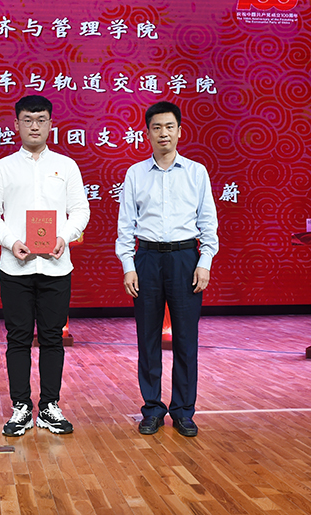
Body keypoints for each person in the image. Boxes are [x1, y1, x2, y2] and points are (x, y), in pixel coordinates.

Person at [0, 95, 90, 436]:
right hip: (16, 267)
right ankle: (21, 407)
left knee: (53, 338)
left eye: (41, 120)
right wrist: (11, 241)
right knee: (18, 338)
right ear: (16, 125)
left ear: (51, 124)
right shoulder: (3, 167)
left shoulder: (66, 166)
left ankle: (50, 406)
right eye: (27, 120)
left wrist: (64, 236)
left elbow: (81, 210)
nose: (34, 126)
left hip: (56, 266)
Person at [115, 101, 219, 437]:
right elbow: (125, 225)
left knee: (186, 339)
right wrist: (128, 265)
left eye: (169, 127)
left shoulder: (196, 172)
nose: (163, 133)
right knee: (147, 338)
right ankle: (152, 409)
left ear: (179, 131)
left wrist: (204, 262)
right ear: (147, 133)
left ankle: (184, 411)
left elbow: (208, 222)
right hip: (147, 259)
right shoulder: (135, 174)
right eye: (157, 127)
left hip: (185, 258)